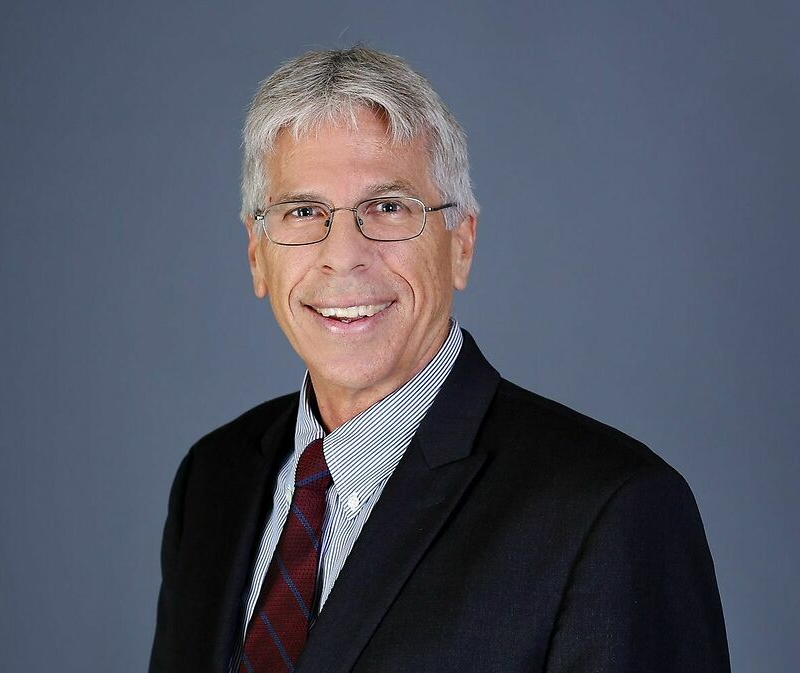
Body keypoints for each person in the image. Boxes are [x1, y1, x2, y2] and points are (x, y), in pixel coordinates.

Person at [149, 47, 730, 673]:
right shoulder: (212, 480)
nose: (342, 255)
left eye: (387, 208)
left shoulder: (611, 511)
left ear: (462, 243)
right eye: (303, 212)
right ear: (256, 255)